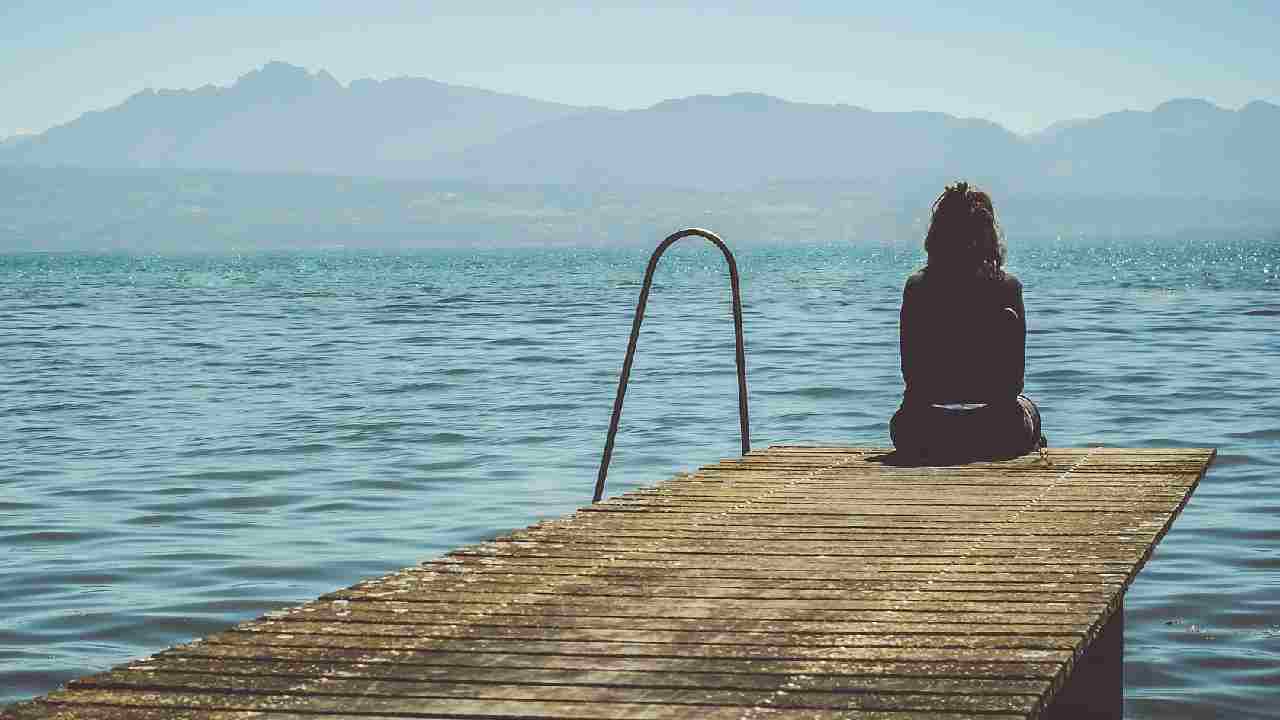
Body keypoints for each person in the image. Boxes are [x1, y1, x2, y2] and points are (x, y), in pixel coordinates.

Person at [889, 181, 1044, 460]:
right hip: (997, 428)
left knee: (902, 422)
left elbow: (911, 374)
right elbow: (1014, 383)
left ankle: (946, 444)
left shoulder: (917, 288)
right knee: (1029, 409)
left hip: (924, 429)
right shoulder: (1007, 288)